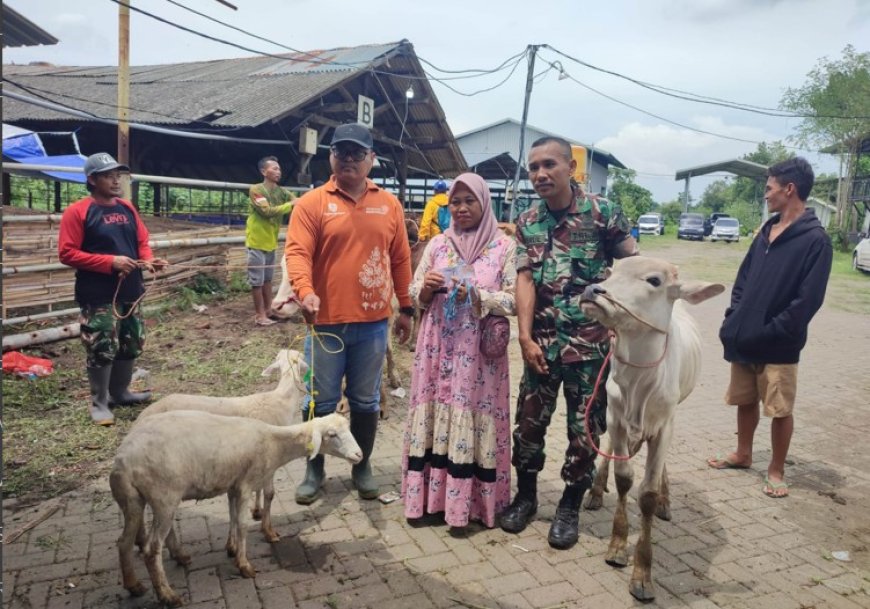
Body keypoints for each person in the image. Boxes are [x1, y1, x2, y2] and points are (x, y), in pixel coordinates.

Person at [500, 136, 637, 549]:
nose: (540, 174)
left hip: (590, 347)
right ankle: (525, 497)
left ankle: (569, 507)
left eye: (549, 165)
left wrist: (621, 318)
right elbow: (524, 279)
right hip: (540, 344)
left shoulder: (603, 214)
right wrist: (523, 337)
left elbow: (630, 267)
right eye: (533, 167)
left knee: (584, 432)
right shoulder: (527, 221)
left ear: (570, 168)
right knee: (527, 427)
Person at [285, 123, 414, 504]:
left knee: (366, 400)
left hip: (373, 324)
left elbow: (401, 259)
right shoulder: (312, 203)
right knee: (320, 400)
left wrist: (405, 307)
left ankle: (363, 465)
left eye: (358, 154)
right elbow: (297, 253)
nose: (349, 160)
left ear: (372, 160)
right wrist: (305, 292)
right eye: (341, 153)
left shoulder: (388, 204)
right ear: (331, 157)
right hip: (325, 324)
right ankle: (314, 468)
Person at [707, 157, 832, 499]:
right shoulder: (766, 231)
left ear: (789, 189)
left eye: (769, 188)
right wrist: (733, 317)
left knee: (779, 408)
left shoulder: (815, 241)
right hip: (745, 335)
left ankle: (776, 470)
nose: (766, 195)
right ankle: (743, 454)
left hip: (780, 344)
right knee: (745, 400)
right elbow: (743, 279)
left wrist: (772, 330)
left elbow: (808, 301)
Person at [401, 173, 517, 530]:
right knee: (436, 413)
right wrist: (425, 289)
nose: (462, 208)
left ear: (485, 203)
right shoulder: (438, 244)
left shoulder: (503, 247)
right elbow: (412, 290)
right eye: (456, 202)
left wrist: (480, 296)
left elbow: (514, 299)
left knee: (471, 415)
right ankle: (430, 502)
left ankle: (473, 507)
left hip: (478, 355)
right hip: (436, 348)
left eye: (470, 201)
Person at [58, 152, 168, 426]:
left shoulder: (126, 208)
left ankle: (120, 392)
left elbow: (141, 239)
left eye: (117, 175)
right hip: (98, 291)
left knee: (133, 339)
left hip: (131, 288)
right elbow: (67, 253)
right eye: (109, 176)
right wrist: (110, 262)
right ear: (92, 179)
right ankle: (99, 402)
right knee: (101, 343)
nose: (115, 180)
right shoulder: (78, 211)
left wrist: (148, 260)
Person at [246, 156, 295, 326]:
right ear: (263, 171)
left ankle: (269, 310)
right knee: (257, 281)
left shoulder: (281, 192)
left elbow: (297, 201)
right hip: (257, 242)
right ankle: (259, 315)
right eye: (274, 168)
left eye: (279, 169)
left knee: (267, 280)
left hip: (271, 242)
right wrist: (291, 205)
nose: (278, 172)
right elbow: (266, 211)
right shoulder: (256, 190)